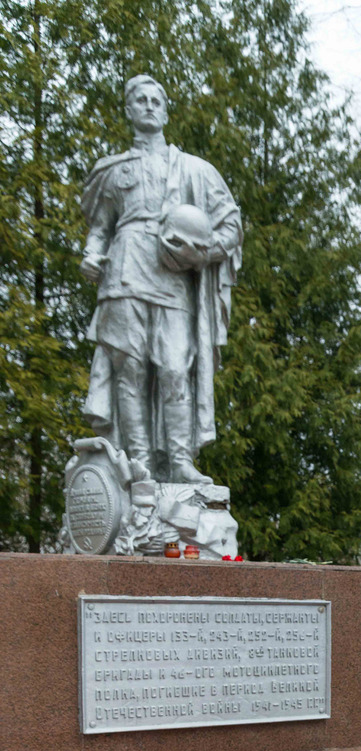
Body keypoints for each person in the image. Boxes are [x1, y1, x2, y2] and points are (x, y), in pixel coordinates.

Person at [80, 75, 243, 484]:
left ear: (165, 111)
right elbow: (100, 227)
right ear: (129, 109)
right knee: (129, 371)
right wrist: (91, 253)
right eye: (141, 100)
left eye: (156, 100)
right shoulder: (113, 172)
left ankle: (181, 461)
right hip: (124, 273)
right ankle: (140, 465)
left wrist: (201, 254)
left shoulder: (194, 170)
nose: (149, 105)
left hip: (173, 279)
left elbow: (231, 224)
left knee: (175, 367)